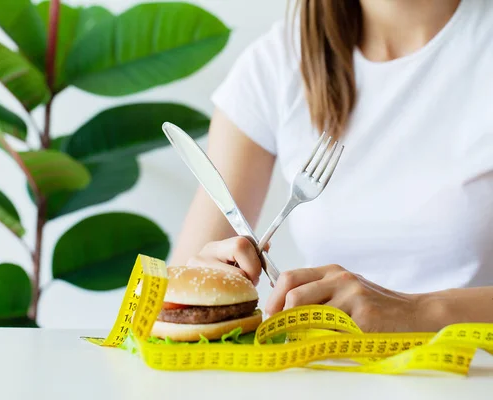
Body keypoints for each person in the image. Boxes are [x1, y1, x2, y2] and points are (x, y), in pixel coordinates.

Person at [168, 0, 493, 333]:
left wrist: (416, 312)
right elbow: (169, 304)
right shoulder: (275, 65)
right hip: (325, 374)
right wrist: (208, 277)